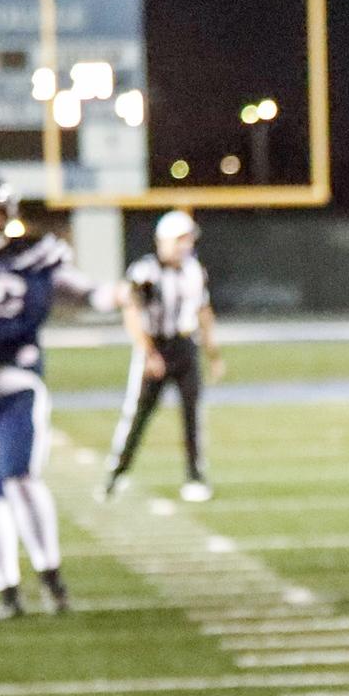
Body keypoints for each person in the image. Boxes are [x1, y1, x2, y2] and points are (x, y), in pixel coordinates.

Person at [0, 185, 115, 617]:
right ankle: (7, 589)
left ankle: (50, 576)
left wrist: (117, 295)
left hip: (16, 382)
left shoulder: (33, 257)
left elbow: (87, 292)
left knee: (20, 478)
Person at [101, 210, 219, 502]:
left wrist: (212, 353)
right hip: (154, 347)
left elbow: (203, 312)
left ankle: (195, 476)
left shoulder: (194, 270)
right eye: (180, 239)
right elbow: (132, 313)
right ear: (164, 240)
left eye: (188, 239)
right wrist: (148, 352)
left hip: (184, 347)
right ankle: (116, 474)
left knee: (193, 415)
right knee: (138, 414)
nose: (185, 245)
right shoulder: (145, 272)